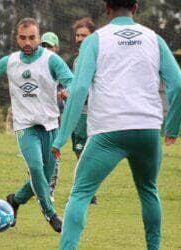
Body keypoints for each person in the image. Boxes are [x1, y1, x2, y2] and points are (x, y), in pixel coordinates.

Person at [51, 0, 181, 249]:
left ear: (106, 8)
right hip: (147, 129)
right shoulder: (154, 39)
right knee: (148, 190)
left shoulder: (95, 40)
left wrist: (61, 138)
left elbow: (79, 88)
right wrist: (172, 127)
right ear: (136, 7)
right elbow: (179, 86)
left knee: (81, 193)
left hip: (108, 131)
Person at [0, 18, 74, 233]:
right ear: (17, 38)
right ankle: (51, 215)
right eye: (23, 38)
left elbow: (71, 80)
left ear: (38, 37)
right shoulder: (10, 62)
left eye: (32, 37)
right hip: (25, 127)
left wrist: (69, 91)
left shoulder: (51, 60)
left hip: (50, 127)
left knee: (43, 180)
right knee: (36, 169)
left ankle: (15, 200)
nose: (27, 42)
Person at [71, 17, 98, 205]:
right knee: (80, 152)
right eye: (78, 35)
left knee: (87, 152)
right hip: (79, 112)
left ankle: (88, 192)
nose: (80, 39)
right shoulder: (77, 60)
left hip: (91, 112)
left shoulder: (97, 57)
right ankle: (89, 191)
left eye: (84, 35)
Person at [40, 31, 66, 202]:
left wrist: (64, 94)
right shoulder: (34, 65)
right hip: (35, 118)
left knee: (53, 155)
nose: (47, 49)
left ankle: (49, 190)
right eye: (44, 46)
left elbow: (69, 87)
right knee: (36, 157)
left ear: (56, 48)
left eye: (50, 46)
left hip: (54, 119)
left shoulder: (60, 67)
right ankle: (37, 187)